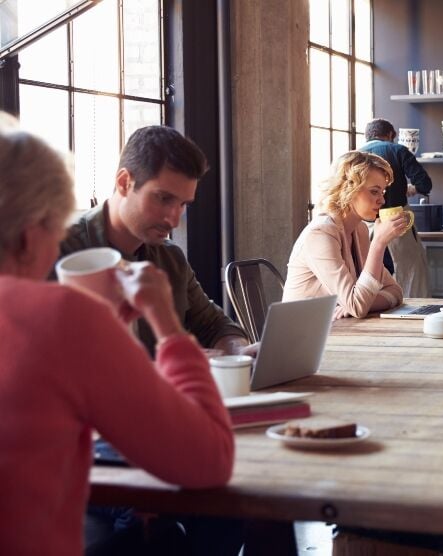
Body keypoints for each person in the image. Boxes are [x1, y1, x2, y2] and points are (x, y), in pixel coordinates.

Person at [0, 115, 234, 555]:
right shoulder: (60, 310)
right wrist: (165, 325)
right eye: (55, 230)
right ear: (33, 235)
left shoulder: (167, 260)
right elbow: (211, 460)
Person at [57, 125, 250, 356]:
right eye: (163, 198)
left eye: (183, 204)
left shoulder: (171, 258)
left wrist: (239, 353)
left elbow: (216, 325)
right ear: (124, 182)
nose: (174, 220)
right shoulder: (57, 249)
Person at [283, 150, 405, 318]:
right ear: (349, 189)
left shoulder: (359, 230)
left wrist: (361, 303)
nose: (382, 200)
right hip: (302, 339)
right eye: (374, 191)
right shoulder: (320, 234)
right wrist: (379, 243)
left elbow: (395, 292)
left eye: (382, 193)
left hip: (335, 330)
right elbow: (357, 306)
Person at [358, 118, 432, 297]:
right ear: (391, 135)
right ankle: (411, 312)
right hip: (398, 223)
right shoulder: (398, 150)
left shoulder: (356, 155)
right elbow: (425, 184)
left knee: (371, 275)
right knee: (410, 273)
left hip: (365, 226)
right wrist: (411, 189)